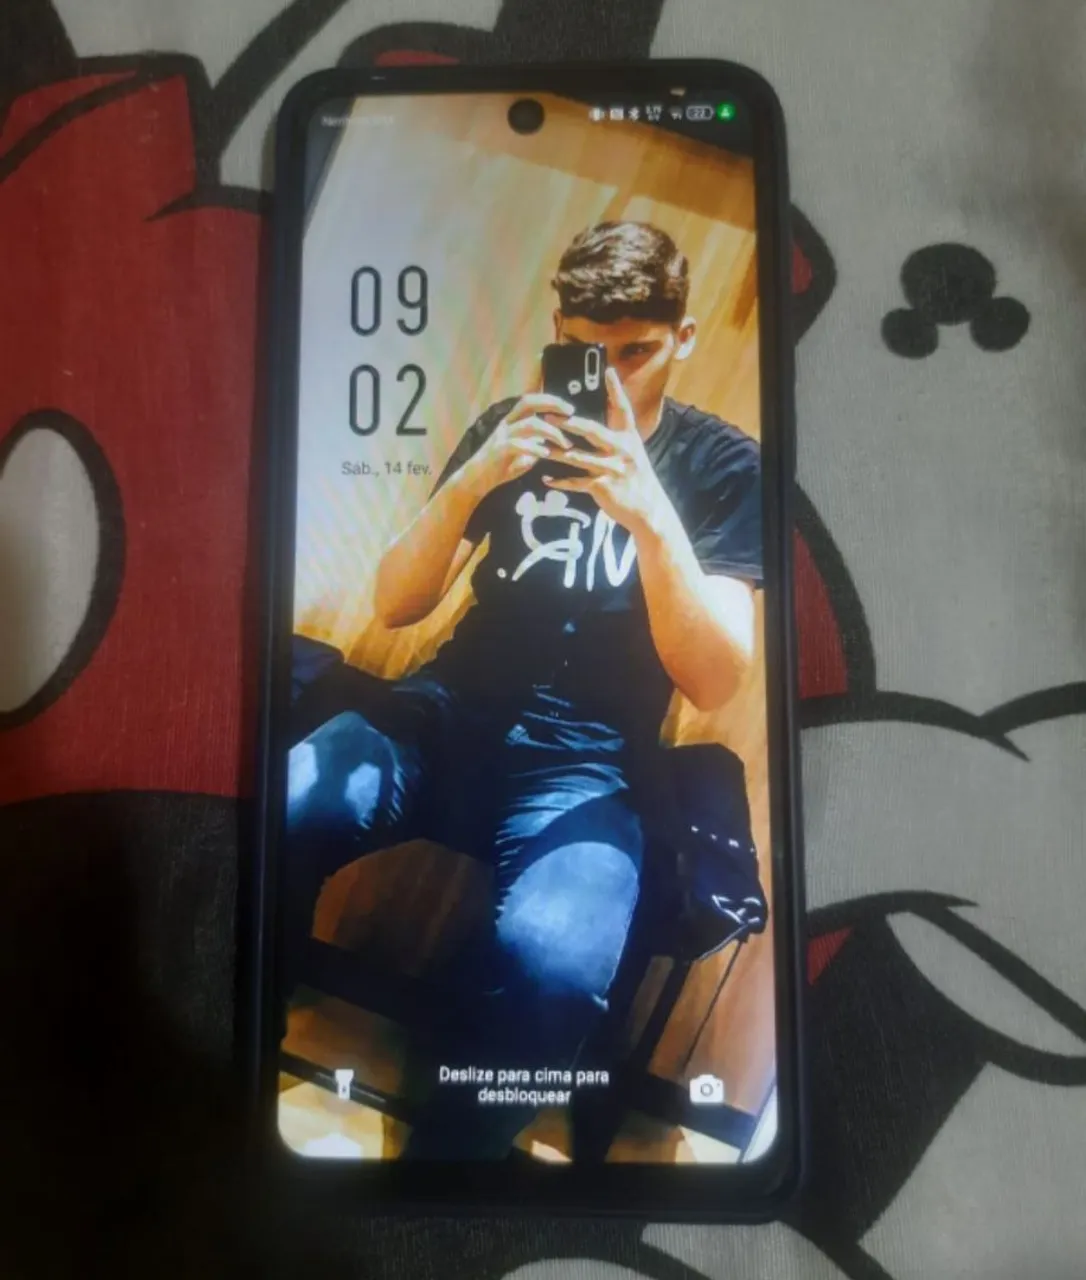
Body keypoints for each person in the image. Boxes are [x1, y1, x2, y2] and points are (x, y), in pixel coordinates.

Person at [285, 221, 763, 1158]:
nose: (611, 378)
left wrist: (648, 514)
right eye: (586, 352)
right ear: (557, 332)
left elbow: (714, 679)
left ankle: (450, 1165)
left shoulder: (723, 467)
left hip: (589, 762)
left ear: (683, 338)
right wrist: (474, 479)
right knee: (288, 800)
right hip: (446, 708)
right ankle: (238, 1012)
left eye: (637, 353)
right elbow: (396, 604)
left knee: (557, 970)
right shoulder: (514, 426)